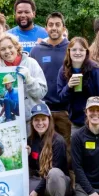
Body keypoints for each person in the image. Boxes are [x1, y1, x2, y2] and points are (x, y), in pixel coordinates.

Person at [57, 37, 99, 136]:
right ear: (69, 52)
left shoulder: (95, 70)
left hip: (97, 120)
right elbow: (61, 98)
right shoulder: (64, 70)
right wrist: (69, 86)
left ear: (86, 52)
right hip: (76, 122)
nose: (77, 53)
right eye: (74, 49)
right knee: (77, 149)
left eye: (81, 50)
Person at [30, 12, 72, 143]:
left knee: (67, 149)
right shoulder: (36, 50)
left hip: (66, 110)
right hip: (43, 110)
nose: (54, 27)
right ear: (45, 28)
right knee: (45, 146)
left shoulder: (72, 48)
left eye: (58, 25)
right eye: (51, 25)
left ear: (63, 28)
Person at [26, 103, 70, 196]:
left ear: (49, 120)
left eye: (43, 119)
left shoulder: (58, 141)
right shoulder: (30, 141)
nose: (40, 123)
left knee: (54, 173)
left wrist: (36, 191)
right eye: (36, 120)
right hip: (39, 181)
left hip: (57, 183)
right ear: (32, 122)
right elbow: (31, 169)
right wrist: (28, 156)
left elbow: (56, 169)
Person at [0, 34, 48, 119]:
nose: (7, 51)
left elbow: (41, 94)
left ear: (16, 47)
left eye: (10, 47)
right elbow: (6, 105)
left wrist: (29, 80)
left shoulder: (31, 63)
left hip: (33, 118)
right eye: (3, 49)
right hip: (15, 122)